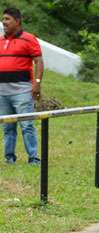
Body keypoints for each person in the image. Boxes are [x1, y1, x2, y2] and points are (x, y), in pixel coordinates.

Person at [0, 7, 43, 165]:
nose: (4, 22)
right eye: (3, 19)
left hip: (22, 91)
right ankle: (9, 158)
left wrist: (37, 84)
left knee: (27, 125)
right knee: (7, 127)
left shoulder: (29, 39)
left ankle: (33, 158)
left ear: (17, 21)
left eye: (7, 19)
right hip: (2, 92)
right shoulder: (1, 41)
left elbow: (39, 61)